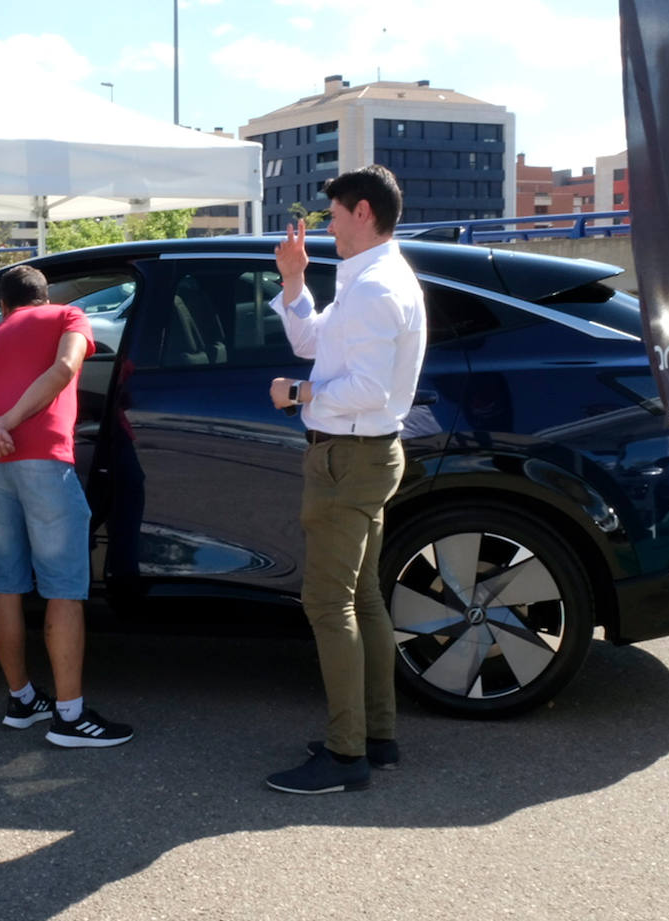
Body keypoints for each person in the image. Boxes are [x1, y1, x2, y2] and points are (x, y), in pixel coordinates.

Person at [264, 165, 427, 794]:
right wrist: (295, 279)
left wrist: (295, 395)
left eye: (333, 215)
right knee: (362, 599)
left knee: (329, 604)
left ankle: (345, 755)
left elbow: (366, 388)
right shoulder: (369, 280)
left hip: (348, 458)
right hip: (363, 454)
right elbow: (313, 339)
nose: (327, 225)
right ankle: (374, 738)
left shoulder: (375, 288)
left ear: (362, 212)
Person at [0, 264, 134, 749]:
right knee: (63, 589)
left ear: (2, 306)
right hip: (45, 464)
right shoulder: (69, 317)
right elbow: (65, 369)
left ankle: (21, 700)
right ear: (44, 296)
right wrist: (10, 423)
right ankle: (70, 718)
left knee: (4, 584)